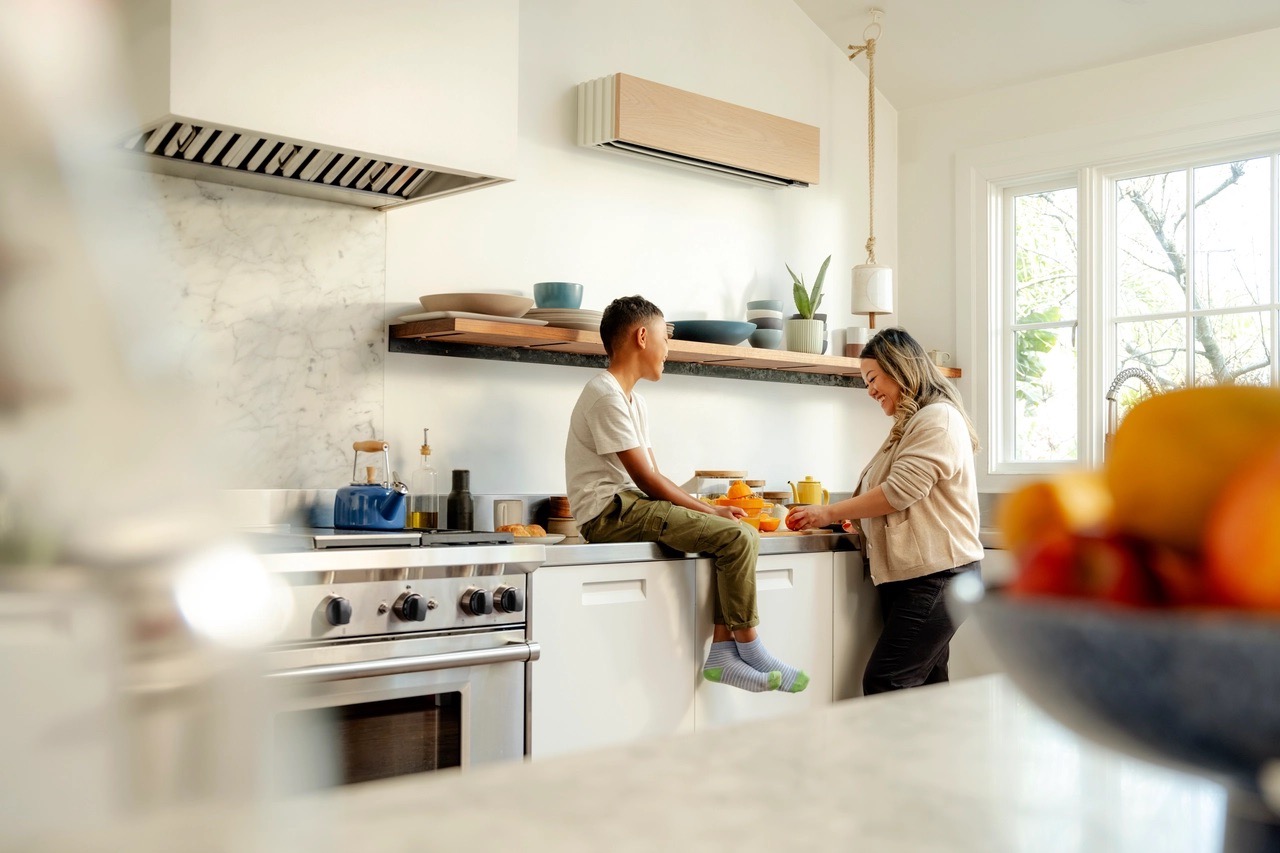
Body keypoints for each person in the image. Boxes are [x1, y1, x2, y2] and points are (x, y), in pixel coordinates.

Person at [565, 295, 808, 693]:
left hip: (630, 506)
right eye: (666, 337)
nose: (669, 349)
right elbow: (647, 481)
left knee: (734, 536)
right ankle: (750, 648)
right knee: (736, 535)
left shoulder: (632, 400)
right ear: (643, 336)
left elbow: (656, 475)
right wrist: (712, 514)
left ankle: (723, 654)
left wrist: (713, 507)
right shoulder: (604, 394)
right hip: (609, 513)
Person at [788, 327, 982, 694]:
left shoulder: (936, 419)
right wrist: (854, 520)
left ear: (900, 369)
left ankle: (893, 755)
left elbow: (899, 492)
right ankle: (938, 754)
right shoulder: (911, 423)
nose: (870, 390)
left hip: (938, 575)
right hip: (921, 576)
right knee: (927, 687)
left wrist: (827, 513)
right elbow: (893, 495)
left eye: (873, 378)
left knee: (886, 682)